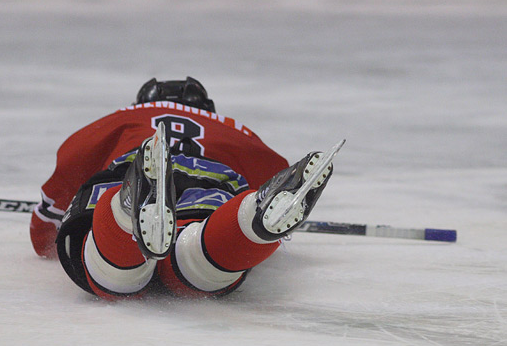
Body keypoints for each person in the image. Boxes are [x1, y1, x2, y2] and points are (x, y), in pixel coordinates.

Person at [30, 77, 335, 300]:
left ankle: (127, 208)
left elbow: (63, 181)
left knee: (111, 277)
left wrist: (44, 227)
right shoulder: (233, 129)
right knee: (198, 264)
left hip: (129, 168)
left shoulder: (122, 119)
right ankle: (250, 221)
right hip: (210, 185)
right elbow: (273, 168)